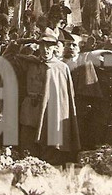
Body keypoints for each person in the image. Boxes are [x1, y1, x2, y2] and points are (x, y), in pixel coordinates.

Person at [18, 28, 80, 163]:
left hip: (50, 115)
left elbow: (65, 99)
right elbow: (9, 57)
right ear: (38, 46)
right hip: (30, 114)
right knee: (27, 152)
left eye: (49, 46)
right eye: (42, 45)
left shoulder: (61, 68)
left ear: (55, 47)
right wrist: (25, 41)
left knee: (49, 153)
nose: (45, 49)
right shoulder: (30, 62)